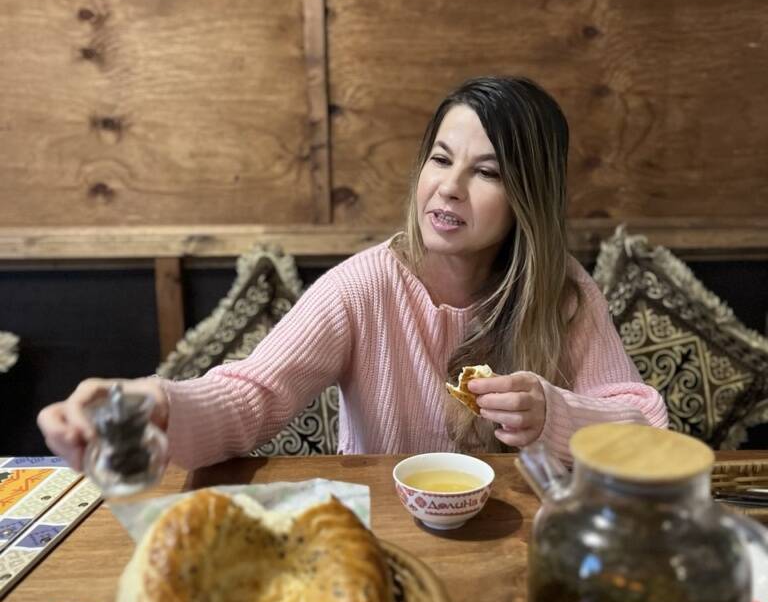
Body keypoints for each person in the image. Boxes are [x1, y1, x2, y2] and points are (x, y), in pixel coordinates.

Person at [38, 76, 667, 471]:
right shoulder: (362, 287)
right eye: (440, 159)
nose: (447, 189)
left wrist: (552, 415)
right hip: (388, 532)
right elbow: (255, 395)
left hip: (530, 542)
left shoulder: (563, 293)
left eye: (488, 172)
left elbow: (644, 426)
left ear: (530, 196)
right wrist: (159, 403)